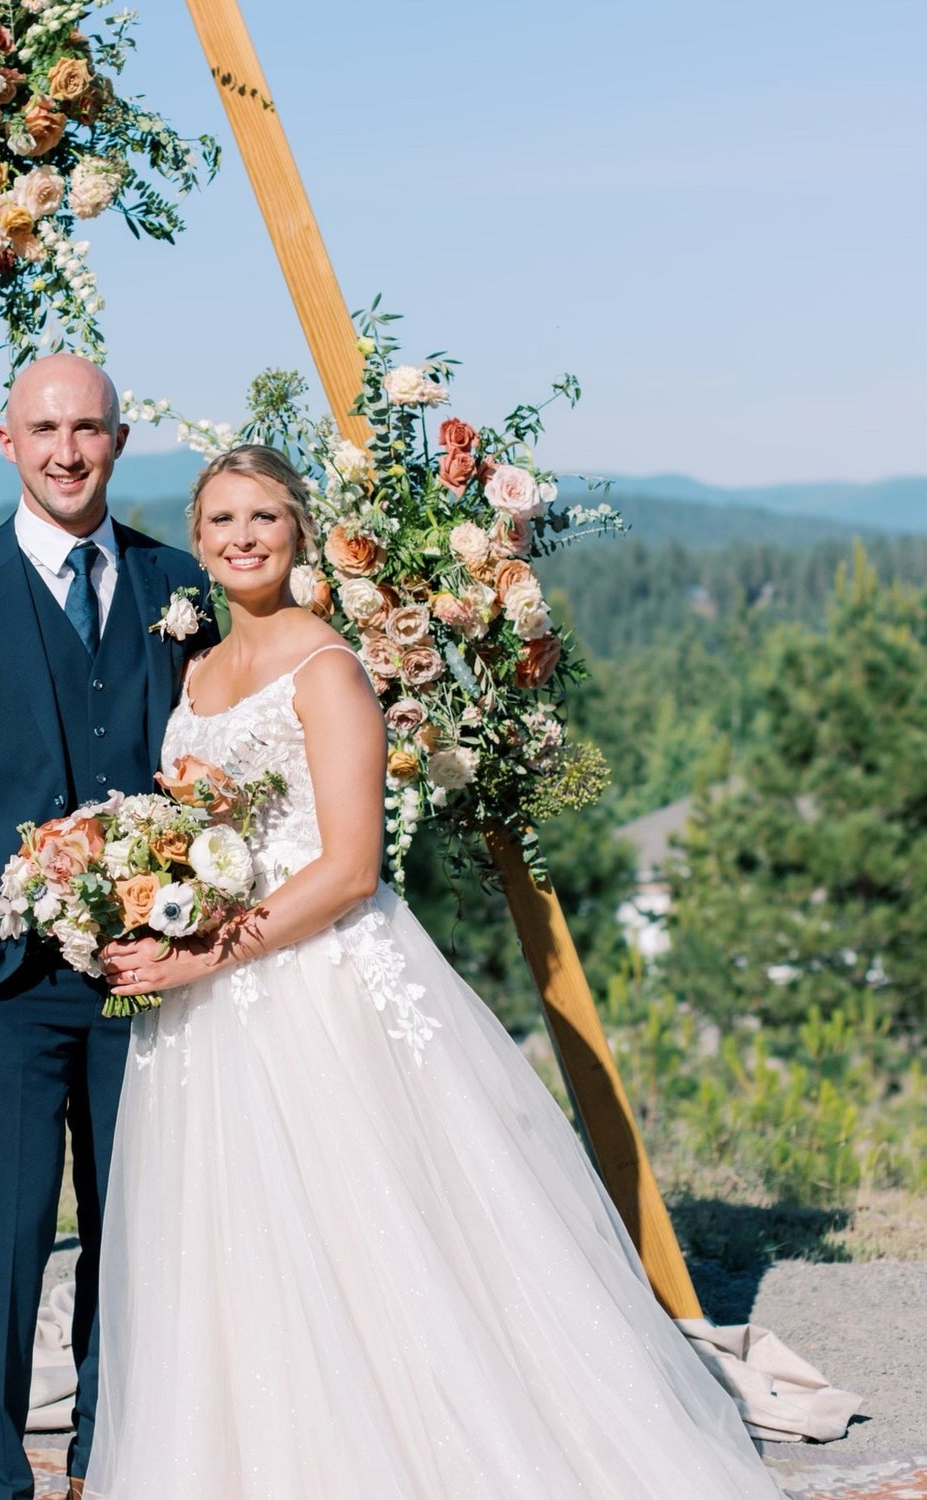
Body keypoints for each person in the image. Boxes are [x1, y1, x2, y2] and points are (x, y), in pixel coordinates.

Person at [84, 445, 785, 1498]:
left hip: (318, 990)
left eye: (264, 517)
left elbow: (350, 868)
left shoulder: (326, 669)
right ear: (197, 540)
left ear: (299, 530)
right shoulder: (196, 675)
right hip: (209, 1013)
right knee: (237, 1250)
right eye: (222, 520)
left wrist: (203, 954)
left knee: (372, 1236)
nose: (242, 538)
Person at [0, 353, 216, 1500]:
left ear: (119, 442)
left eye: (89, 429)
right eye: (46, 429)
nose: (68, 451)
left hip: (145, 975)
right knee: (2, 1240)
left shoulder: (182, 585)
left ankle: (111, 1464)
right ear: (7, 441)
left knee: (135, 1232)